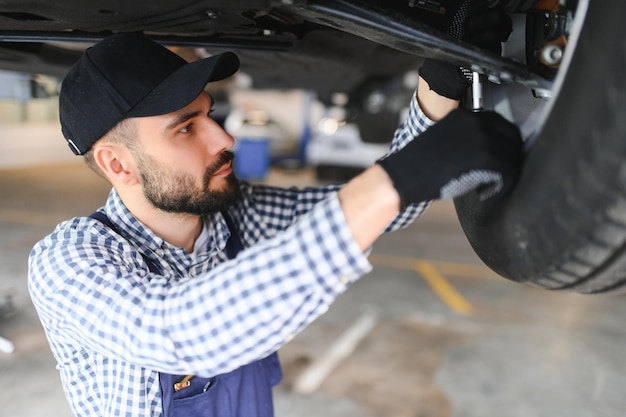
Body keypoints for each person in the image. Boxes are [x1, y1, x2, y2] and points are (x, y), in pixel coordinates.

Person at [28, 5, 520, 417]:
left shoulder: (239, 218)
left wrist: (440, 86)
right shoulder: (68, 264)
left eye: (209, 116)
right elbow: (180, 333)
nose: (224, 139)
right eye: (185, 128)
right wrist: (399, 179)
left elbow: (384, 209)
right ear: (118, 164)